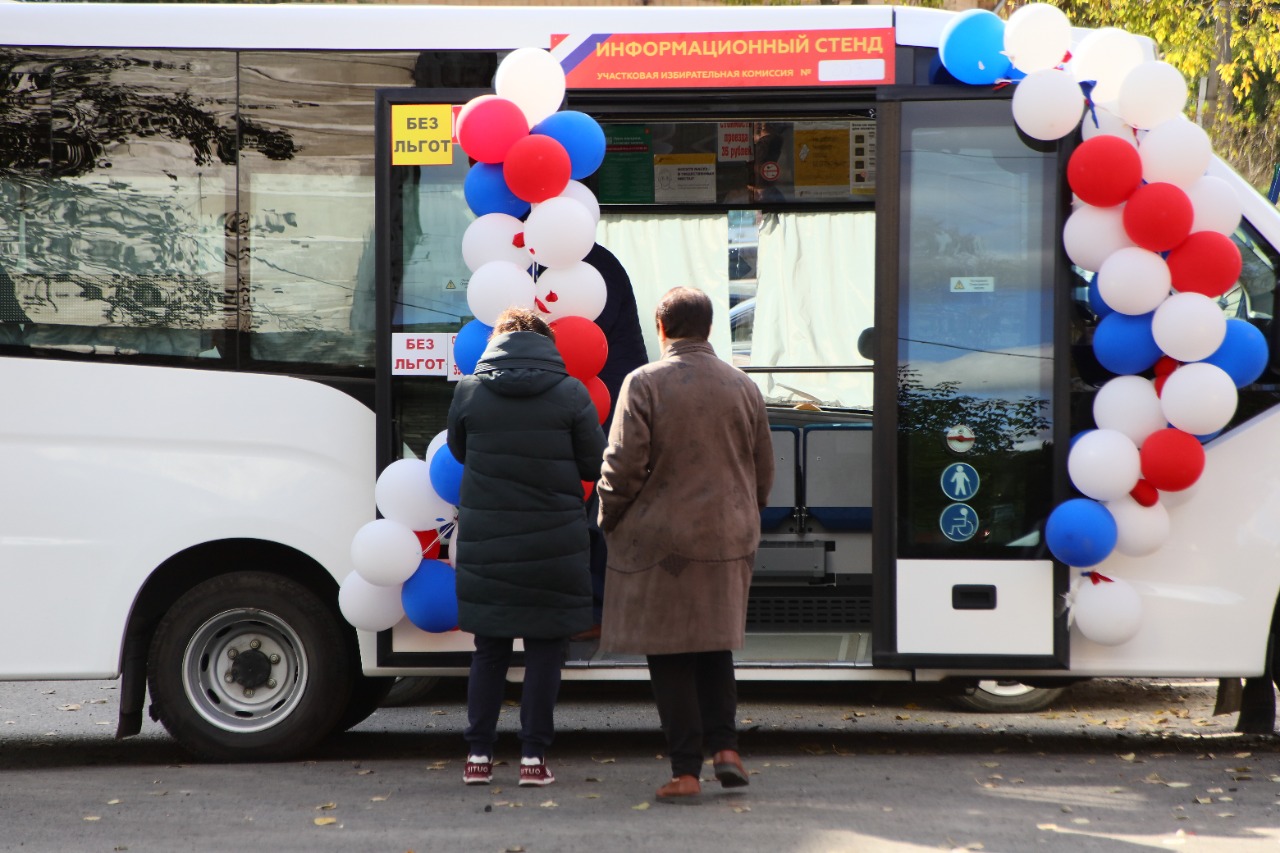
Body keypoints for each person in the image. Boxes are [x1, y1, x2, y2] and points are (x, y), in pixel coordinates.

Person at [596, 286, 775, 803]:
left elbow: (623, 465)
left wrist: (608, 516)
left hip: (664, 542)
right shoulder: (743, 385)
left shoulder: (644, 382)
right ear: (710, 328)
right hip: (727, 533)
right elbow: (764, 469)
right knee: (714, 644)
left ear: (660, 327)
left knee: (670, 652)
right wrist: (743, 511)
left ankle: (685, 771)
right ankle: (727, 750)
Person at [446, 306, 607, 788]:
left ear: (496, 342)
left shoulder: (470, 391)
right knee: (544, 650)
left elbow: (459, 450)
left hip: (488, 539)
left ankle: (478, 755)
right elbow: (592, 461)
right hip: (553, 540)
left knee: (489, 650)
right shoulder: (571, 392)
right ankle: (534, 759)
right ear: (546, 344)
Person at [571, 243, 648, 641]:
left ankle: (597, 610)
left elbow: (580, 340)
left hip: (606, 399)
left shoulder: (586, 268)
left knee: (597, 508)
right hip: (603, 397)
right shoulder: (596, 261)